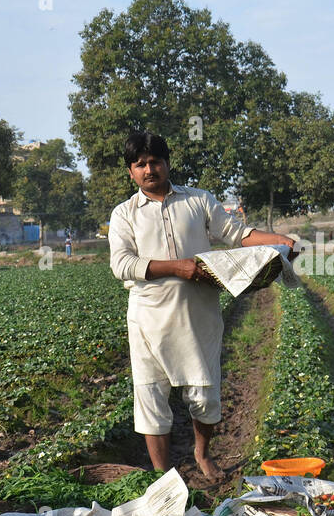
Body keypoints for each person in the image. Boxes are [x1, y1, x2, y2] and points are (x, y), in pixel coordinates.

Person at [108, 130, 296, 482]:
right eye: (141, 164)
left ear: (167, 163)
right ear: (130, 171)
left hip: (198, 317)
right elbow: (122, 264)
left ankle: (202, 453)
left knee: (205, 397)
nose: (150, 169)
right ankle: (163, 478)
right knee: (151, 397)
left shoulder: (198, 200)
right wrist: (177, 267)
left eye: (156, 162)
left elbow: (237, 234)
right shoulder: (124, 215)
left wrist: (280, 241)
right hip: (148, 319)